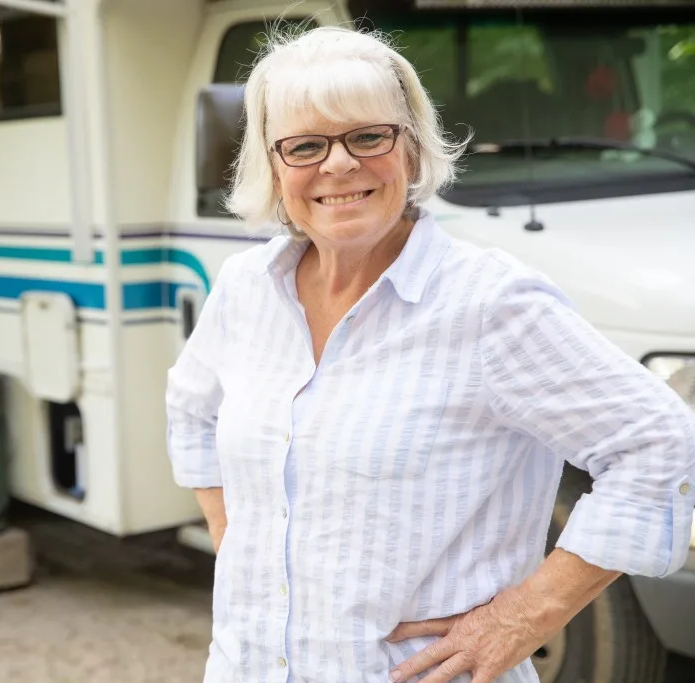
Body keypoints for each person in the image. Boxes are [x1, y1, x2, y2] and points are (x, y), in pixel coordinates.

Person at [164, 24, 695, 683]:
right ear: (273, 168)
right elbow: (191, 411)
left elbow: (660, 440)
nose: (338, 164)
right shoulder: (246, 289)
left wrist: (524, 616)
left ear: (411, 149)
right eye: (305, 145)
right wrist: (240, 547)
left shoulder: (490, 305)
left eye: (368, 136)